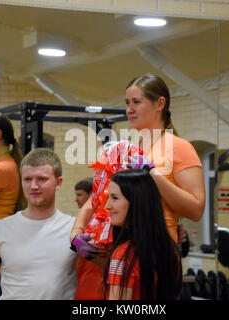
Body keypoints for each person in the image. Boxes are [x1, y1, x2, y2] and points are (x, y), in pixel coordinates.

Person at [71, 73, 205, 299]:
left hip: (156, 255)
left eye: (137, 102)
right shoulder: (130, 149)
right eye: (127, 103)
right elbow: (100, 198)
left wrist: (153, 174)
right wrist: (76, 233)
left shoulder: (178, 147)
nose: (129, 109)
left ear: (160, 104)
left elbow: (196, 209)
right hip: (123, 249)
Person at [0, 148, 78, 300]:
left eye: (42, 179)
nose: (34, 186)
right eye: (28, 179)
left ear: (58, 183)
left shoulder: (73, 229)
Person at [103, 169, 181, 299]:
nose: (107, 205)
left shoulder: (123, 254)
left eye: (114, 198)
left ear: (136, 201)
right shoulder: (169, 250)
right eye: (108, 198)